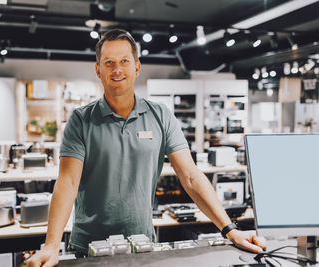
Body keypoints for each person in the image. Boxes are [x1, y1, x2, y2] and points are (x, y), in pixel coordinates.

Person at [26, 29, 266, 267]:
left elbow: (191, 177)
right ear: (98, 70)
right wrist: (51, 245)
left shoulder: (160, 115)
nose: (117, 69)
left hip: (141, 246)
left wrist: (230, 230)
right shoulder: (81, 120)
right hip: (88, 248)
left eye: (124, 61)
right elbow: (67, 183)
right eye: (108, 62)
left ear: (137, 67)